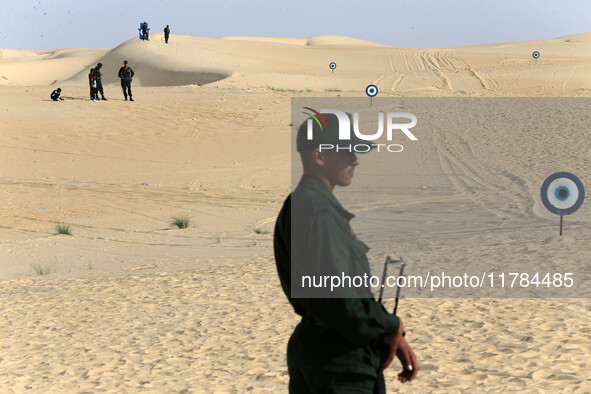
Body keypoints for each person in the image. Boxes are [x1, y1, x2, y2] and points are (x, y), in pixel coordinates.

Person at [273, 114, 418, 393]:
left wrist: (393, 335)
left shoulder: (297, 205)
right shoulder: (320, 211)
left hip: (317, 352)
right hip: (340, 364)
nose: (355, 159)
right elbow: (339, 300)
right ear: (319, 155)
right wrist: (391, 324)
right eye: (346, 151)